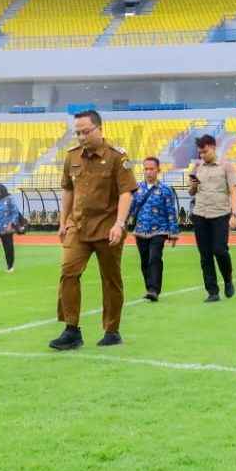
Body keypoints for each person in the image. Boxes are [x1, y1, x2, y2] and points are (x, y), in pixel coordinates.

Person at [49, 110, 138, 351]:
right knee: (68, 272)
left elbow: (126, 193)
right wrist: (63, 221)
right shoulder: (72, 157)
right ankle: (71, 329)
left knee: (110, 279)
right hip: (78, 227)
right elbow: (68, 189)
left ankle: (111, 330)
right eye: (77, 132)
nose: (81, 136)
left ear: (99, 129)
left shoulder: (118, 157)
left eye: (85, 131)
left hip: (108, 228)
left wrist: (120, 224)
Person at [187, 134, 236, 303]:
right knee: (205, 255)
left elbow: (233, 191)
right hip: (200, 214)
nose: (202, 155)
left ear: (213, 147)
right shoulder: (197, 168)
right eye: (200, 153)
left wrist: (234, 213)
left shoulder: (226, 166)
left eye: (205, 151)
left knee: (220, 250)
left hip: (220, 214)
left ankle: (228, 279)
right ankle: (212, 291)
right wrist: (193, 186)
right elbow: (191, 192)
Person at [131, 156, 180, 301]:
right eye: (146, 169)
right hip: (140, 230)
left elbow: (171, 211)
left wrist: (173, 232)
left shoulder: (165, 190)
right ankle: (149, 288)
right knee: (145, 260)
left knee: (155, 258)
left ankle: (154, 289)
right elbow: (131, 208)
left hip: (159, 230)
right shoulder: (137, 189)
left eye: (151, 169)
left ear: (158, 170)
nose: (148, 172)